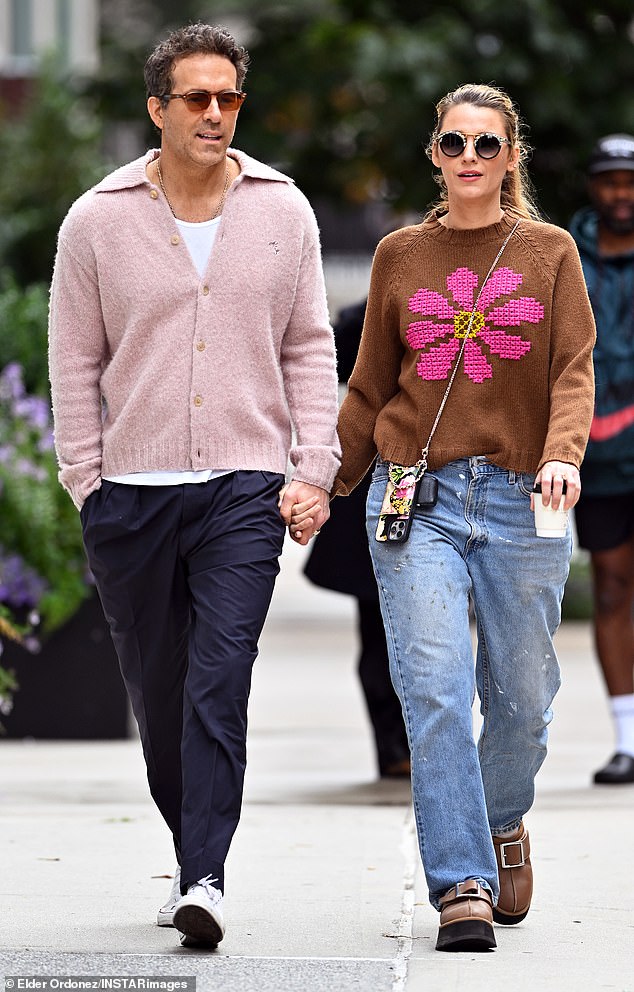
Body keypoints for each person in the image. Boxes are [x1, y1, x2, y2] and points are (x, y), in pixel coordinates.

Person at [48, 22, 339, 949]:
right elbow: (73, 360)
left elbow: (308, 348)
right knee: (160, 690)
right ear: (157, 109)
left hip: (242, 490)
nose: (216, 114)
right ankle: (191, 852)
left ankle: (206, 875)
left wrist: (314, 467)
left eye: (229, 98)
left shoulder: (283, 211)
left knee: (221, 679)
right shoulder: (97, 219)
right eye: (196, 98)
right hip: (130, 490)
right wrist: (86, 479)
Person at [292, 83, 595, 951]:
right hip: (414, 497)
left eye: (486, 145)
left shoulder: (550, 252)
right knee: (432, 689)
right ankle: (460, 879)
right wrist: (327, 480)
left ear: (511, 156)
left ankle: (502, 821)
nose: (470, 158)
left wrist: (562, 454)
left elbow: (573, 368)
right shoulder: (397, 254)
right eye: (454, 144)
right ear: (435, 154)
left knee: (525, 698)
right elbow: (369, 387)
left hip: (522, 496)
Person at [304, 300, 410, 779]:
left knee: (418, 631)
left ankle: (411, 747)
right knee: (380, 626)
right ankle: (394, 748)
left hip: (424, 479)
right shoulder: (363, 320)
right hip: (384, 482)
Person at [570, 134, 634, 785]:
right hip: (599, 453)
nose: (622, 193)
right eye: (611, 180)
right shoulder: (564, 254)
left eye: (631, 181)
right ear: (595, 186)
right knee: (613, 586)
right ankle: (627, 739)